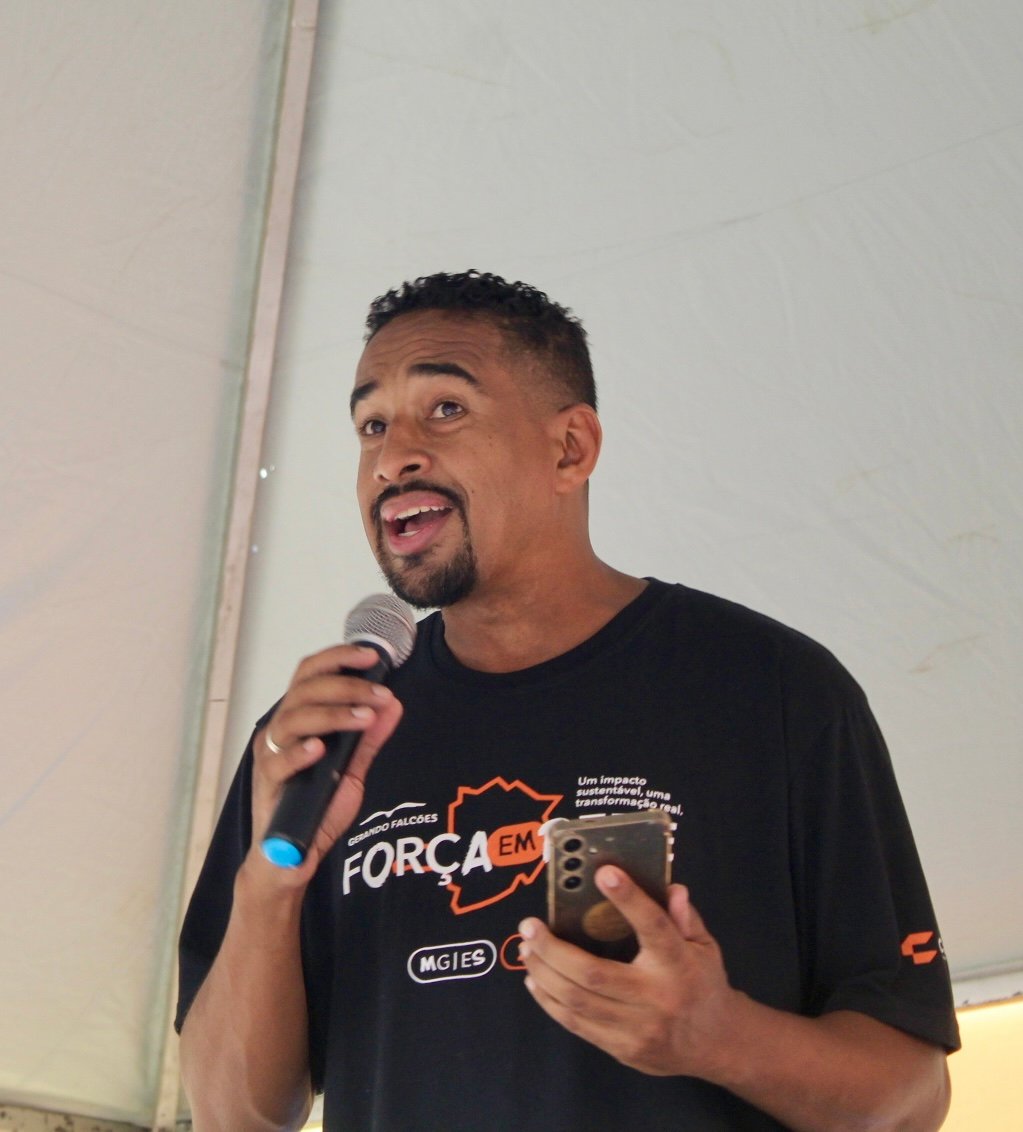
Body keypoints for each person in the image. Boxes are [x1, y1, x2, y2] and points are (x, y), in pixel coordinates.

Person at [176, 271, 960, 1131]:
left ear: (570, 449)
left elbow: (909, 1098)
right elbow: (231, 1115)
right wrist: (270, 884)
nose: (392, 457)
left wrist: (717, 1037)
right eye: (371, 425)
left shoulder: (770, 690)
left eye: (444, 409)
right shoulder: (320, 736)